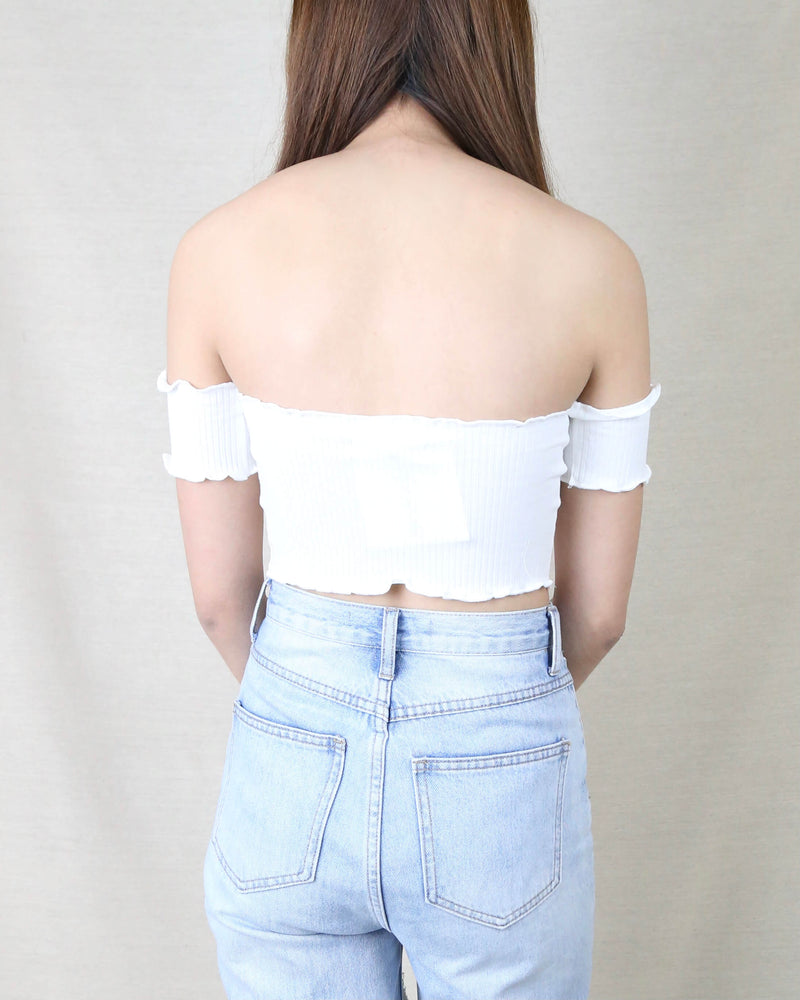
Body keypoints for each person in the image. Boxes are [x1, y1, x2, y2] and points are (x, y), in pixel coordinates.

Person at [156, 2, 661, 998]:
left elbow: (219, 598)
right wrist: (486, 709)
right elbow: (598, 614)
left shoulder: (216, 250)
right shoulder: (593, 263)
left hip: (291, 743)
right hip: (496, 745)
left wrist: (315, 700)